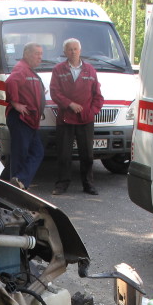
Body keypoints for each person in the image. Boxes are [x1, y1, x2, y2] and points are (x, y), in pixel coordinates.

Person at [49, 38, 103, 196]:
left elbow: (98, 96)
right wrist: (70, 104)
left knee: (87, 155)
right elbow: (54, 92)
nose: (73, 52)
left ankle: (88, 184)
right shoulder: (58, 69)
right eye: (69, 49)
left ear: (80, 50)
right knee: (64, 154)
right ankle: (62, 184)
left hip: (85, 119)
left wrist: (91, 111)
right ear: (65, 52)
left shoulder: (90, 70)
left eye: (75, 49)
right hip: (65, 118)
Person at [5, 42, 45, 190]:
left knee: (37, 152)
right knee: (20, 155)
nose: (40, 57)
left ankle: (19, 182)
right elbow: (10, 82)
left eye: (41, 54)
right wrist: (15, 103)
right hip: (21, 119)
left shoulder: (29, 71)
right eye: (36, 54)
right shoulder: (21, 69)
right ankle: (17, 187)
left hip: (30, 121)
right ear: (26, 54)